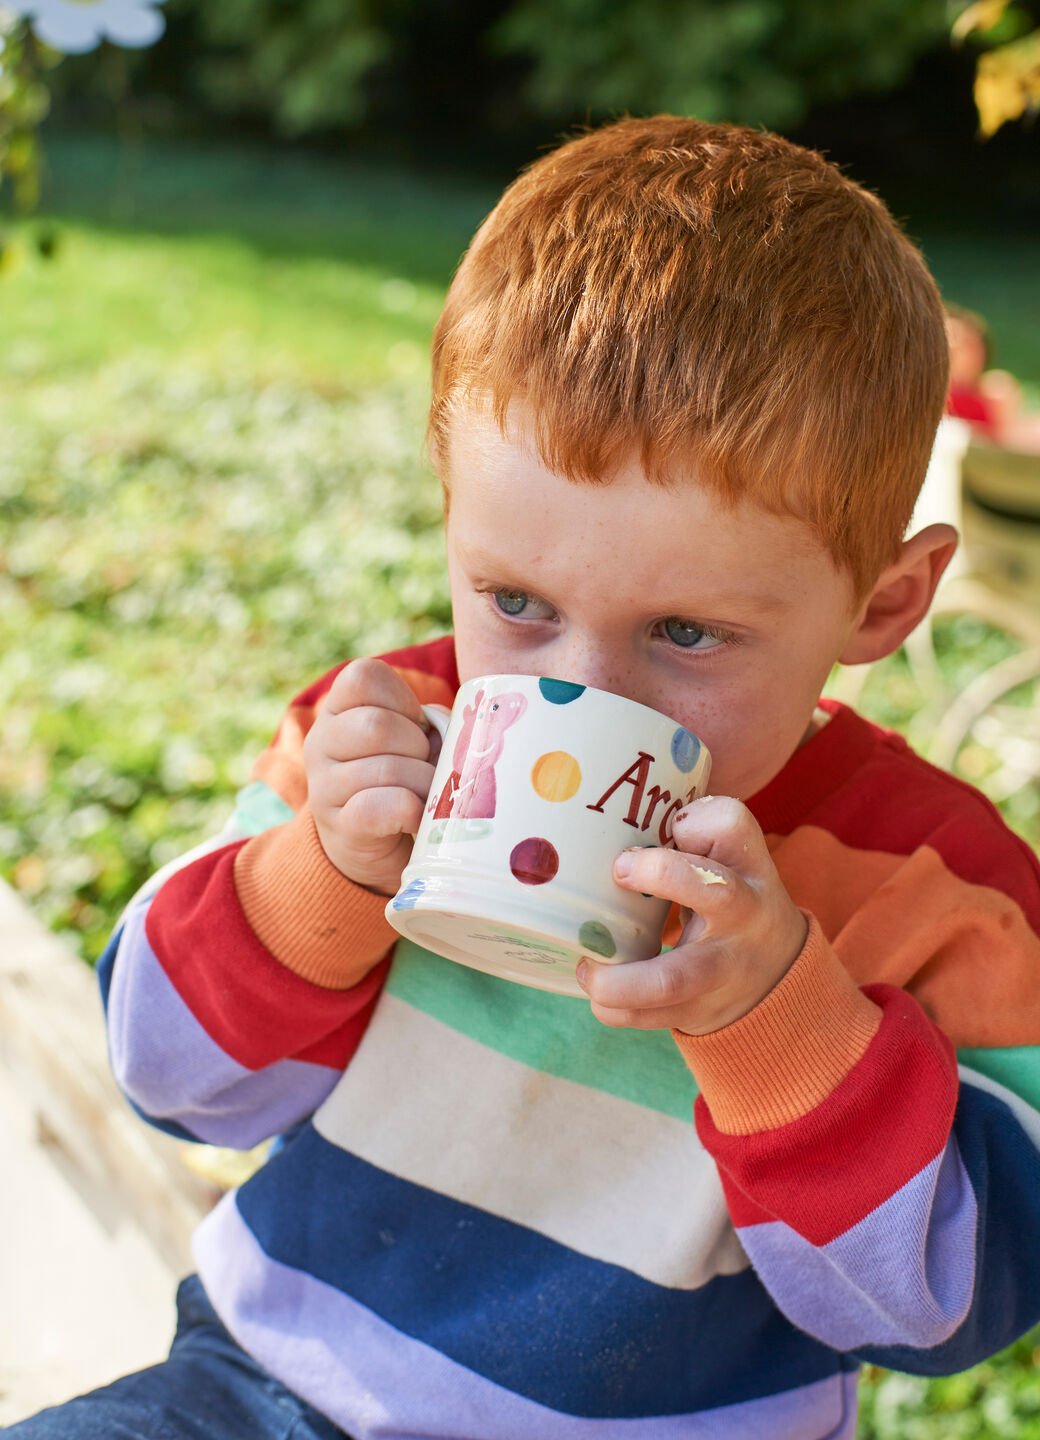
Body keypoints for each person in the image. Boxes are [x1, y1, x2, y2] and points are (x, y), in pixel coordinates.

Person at [9, 116, 1040, 1440]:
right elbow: (169, 1076)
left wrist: (780, 1023)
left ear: (884, 604)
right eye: (515, 599)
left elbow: (948, 1311)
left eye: (686, 634)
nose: (584, 699)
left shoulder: (929, 884)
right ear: (450, 511)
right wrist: (314, 879)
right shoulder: (387, 738)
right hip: (262, 1392)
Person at [945, 302, 1040, 451]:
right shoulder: (927, 394)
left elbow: (1007, 437)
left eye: (969, 344)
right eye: (951, 338)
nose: (954, 346)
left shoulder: (992, 393)